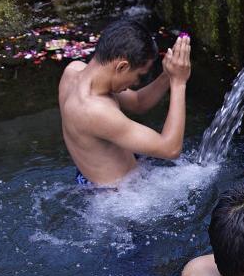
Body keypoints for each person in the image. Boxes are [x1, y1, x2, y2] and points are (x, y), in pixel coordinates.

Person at [58, 18, 191, 186]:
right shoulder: (94, 111)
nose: (136, 83)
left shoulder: (73, 71)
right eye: (139, 76)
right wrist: (179, 83)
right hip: (118, 197)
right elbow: (170, 149)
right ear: (121, 67)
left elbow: (138, 102)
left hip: (92, 176)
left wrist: (168, 75)